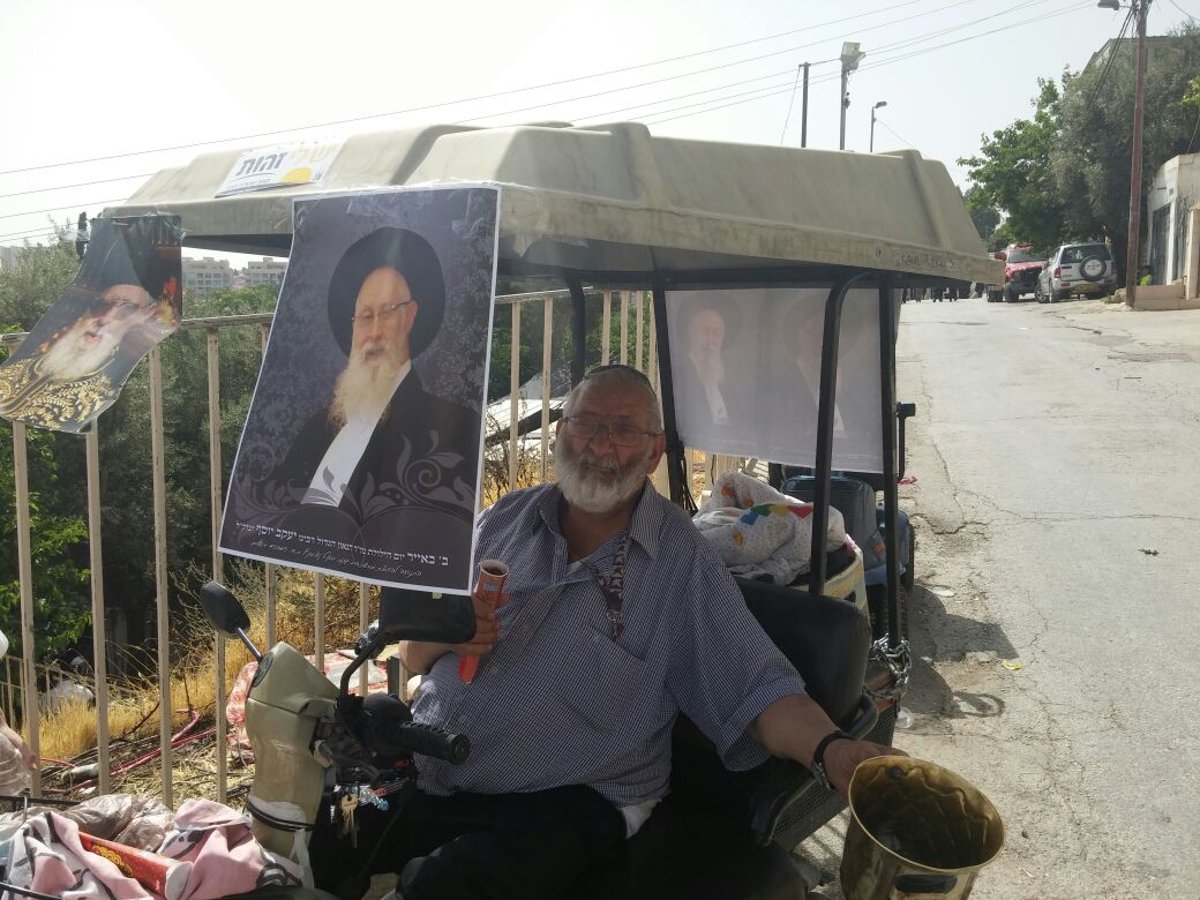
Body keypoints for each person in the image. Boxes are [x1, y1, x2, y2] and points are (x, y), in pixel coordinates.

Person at [309, 365, 901, 899]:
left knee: (444, 888)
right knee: (328, 837)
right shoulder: (503, 521)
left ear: (652, 453)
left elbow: (758, 686)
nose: (598, 445)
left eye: (622, 430)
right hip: (438, 767)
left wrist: (831, 749)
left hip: (574, 799)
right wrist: (452, 635)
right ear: (562, 431)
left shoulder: (679, 563)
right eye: (585, 424)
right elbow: (412, 655)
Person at [268, 227, 478, 520]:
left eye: (388, 312)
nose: (375, 333)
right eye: (365, 317)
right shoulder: (318, 428)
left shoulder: (454, 427)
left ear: (411, 316)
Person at [0, 282, 174, 432]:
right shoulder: (28, 362)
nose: (105, 319)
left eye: (128, 311)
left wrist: (122, 327)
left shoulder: (100, 391)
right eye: (103, 305)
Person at [671, 295, 751, 436]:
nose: (710, 340)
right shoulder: (679, 372)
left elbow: (741, 422)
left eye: (716, 333)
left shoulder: (727, 377)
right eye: (704, 331)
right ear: (690, 332)